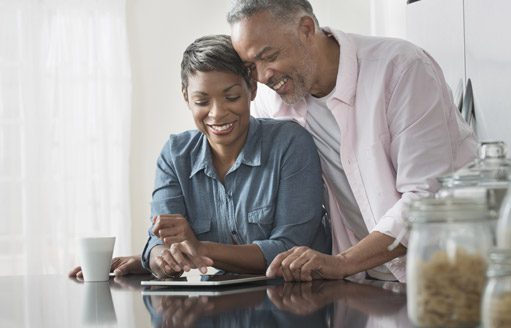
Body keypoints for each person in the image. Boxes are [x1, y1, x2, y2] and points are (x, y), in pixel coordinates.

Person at [227, 0, 477, 282]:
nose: (262, 77)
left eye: (269, 56)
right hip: (372, 279)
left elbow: (425, 199)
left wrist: (343, 263)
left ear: (306, 29)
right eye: (251, 66)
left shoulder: (400, 68)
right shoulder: (271, 100)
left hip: (455, 270)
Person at [141, 34, 330, 278]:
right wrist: (164, 258)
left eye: (231, 97)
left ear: (251, 88)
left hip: (298, 300)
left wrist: (201, 248)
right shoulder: (175, 155)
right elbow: (157, 242)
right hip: (219, 305)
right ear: (186, 97)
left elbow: (289, 249)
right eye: (202, 101)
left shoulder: (290, 144)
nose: (217, 114)